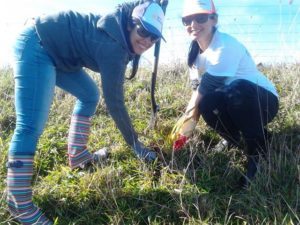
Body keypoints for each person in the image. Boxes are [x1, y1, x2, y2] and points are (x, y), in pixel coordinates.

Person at [6, 0, 165, 224]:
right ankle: (18, 204)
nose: (147, 40)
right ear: (131, 24)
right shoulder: (114, 47)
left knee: (90, 95)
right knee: (29, 126)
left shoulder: (120, 29)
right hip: (37, 44)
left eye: (154, 37)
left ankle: (79, 155)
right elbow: (116, 102)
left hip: (61, 57)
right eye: (143, 30)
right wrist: (136, 145)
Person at [172, 0, 279, 187]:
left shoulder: (225, 46)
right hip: (236, 101)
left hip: (263, 101)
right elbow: (198, 91)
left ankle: (258, 154)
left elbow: (205, 88)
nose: (193, 25)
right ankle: (234, 139)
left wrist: (187, 122)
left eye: (200, 18)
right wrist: (185, 126)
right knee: (207, 104)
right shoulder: (194, 53)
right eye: (187, 20)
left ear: (214, 19)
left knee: (236, 88)